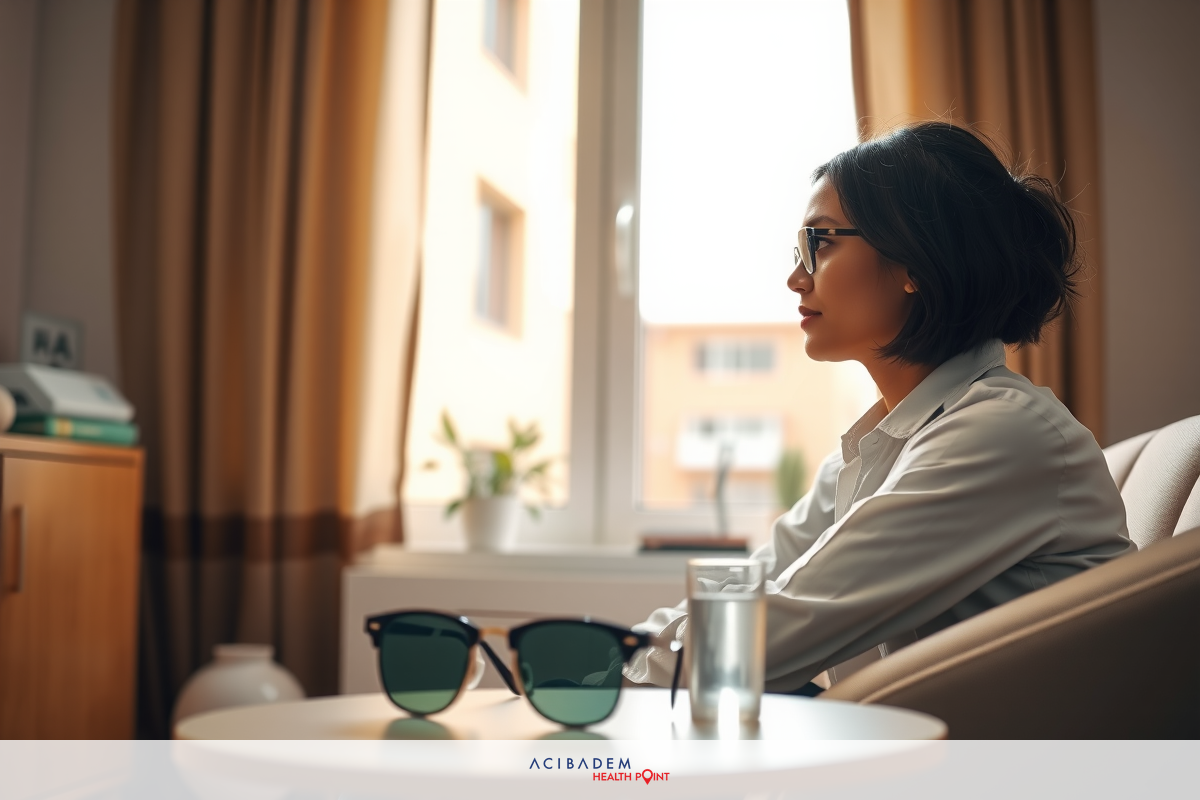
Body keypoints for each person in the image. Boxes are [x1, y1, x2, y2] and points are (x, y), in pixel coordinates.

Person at [623, 122, 1134, 694]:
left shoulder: (1002, 433)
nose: (796, 278)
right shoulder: (872, 452)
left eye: (821, 243)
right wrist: (615, 658)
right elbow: (753, 586)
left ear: (916, 260)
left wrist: (597, 677)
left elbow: (767, 632)